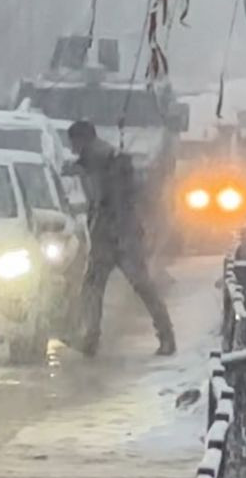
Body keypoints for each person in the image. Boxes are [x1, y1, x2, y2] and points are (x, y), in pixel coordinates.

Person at [67, 120, 176, 356]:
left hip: (116, 235)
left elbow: (111, 200)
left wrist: (116, 231)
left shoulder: (102, 160)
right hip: (116, 233)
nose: (72, 148)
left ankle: (94, 337)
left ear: (81, 140)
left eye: (73, 143)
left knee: (128, 285)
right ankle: (163, 335)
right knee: (104, 286)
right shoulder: (103, 158)